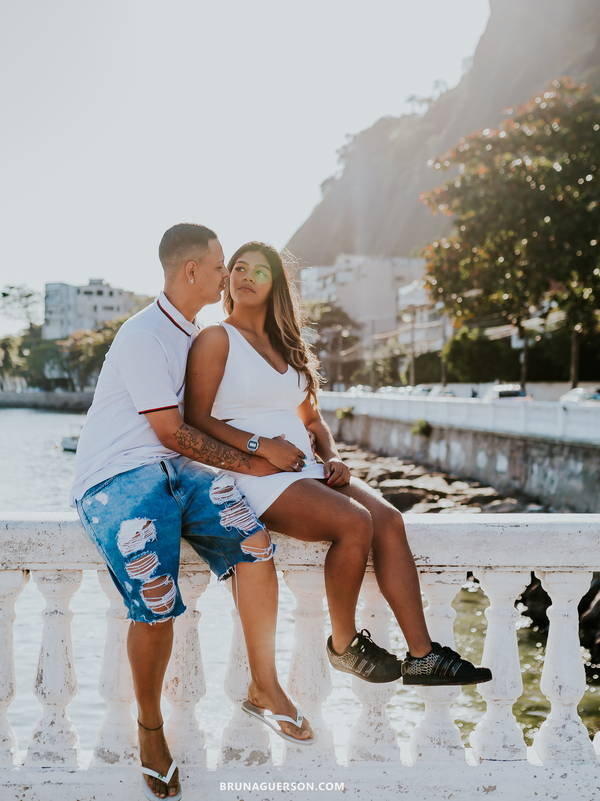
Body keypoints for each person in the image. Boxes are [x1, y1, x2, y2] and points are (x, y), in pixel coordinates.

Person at [71, 224, 312, 801]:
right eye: (220, 263)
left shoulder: (198, 333)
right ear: (191, 272)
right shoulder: (145, 334)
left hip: (175, 469)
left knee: (255, 546)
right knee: (156, 596)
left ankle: (264, 685)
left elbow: (208, 420)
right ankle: (150, 728)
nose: (228, 271)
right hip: (118, 474)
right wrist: (254, 462)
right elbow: (171, 430)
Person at [184, 241, 492, 687]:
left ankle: (423, 656)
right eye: (239, 269)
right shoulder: (217, 338)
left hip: (305, 467)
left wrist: (331, 456)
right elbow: (196, 417)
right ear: (228, 278)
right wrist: (262, 446)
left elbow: (312, 419)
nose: (246, 277)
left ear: (276, 286)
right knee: (354, 523)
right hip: (254, 473)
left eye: (259, 272)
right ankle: (344, 645)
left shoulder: (288, 346)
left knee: (388, 520)